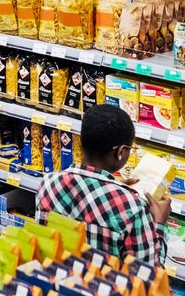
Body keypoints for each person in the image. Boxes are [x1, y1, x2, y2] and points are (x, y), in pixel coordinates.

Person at [36, 104, 169, 267]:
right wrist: (159, 224)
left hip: (56, 285)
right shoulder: (132, 207)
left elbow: (86, 201)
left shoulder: (48, 184)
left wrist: (115, 187)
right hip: (106, 290)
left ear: (80, 141)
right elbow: (149, 277)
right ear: (120, 152)